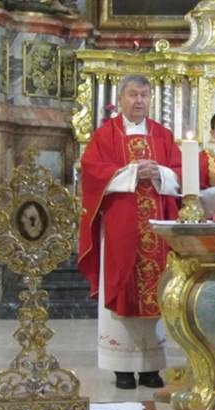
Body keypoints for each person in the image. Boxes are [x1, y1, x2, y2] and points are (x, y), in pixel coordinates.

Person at [78, 74, 182, 390]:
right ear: (120, 99)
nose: (139, 101)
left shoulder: (163, 136)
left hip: (156, 229)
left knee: (157, 290)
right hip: (120, 230)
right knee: (122, 286)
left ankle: (150, 367)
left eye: (144, 95)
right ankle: (121, 367)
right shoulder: (106, 135)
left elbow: (181, 172)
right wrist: (133, 171)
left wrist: (160, 172)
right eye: (133, 95)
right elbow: (93, 171)